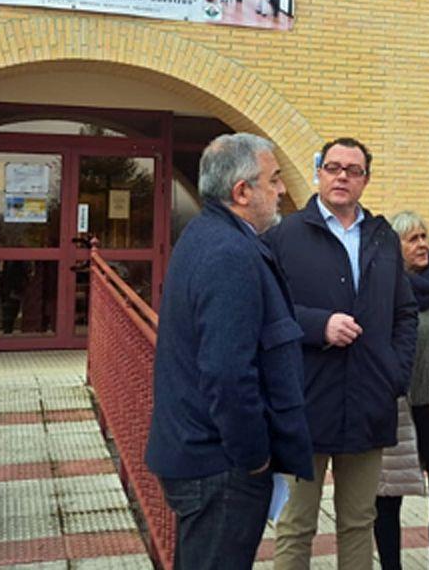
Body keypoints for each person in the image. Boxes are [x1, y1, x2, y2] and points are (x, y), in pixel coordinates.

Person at [145, 133, 313, 570]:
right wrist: (254, 456)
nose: (281, 191)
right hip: (219, 467)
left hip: (203, 458)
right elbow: (226, 372)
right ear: (242, 191)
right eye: (273, 180)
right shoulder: (229, 252)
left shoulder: (206, 234)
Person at [265, 137, 418, 570]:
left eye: (352, 170)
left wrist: (396, 374)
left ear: (365, 180)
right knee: (297, 524)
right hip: (305, 400)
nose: (342, 177)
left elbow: (405, 313)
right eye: (333, 167)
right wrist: (319, 326)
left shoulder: (382, 237)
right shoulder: (286, 236)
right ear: (319, 173)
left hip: (369, 398)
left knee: (358, 521)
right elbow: (267, 312)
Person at [373, 211, 429, 570]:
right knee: (389, 496)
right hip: (398, 406)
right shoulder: (385, 285)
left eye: (424, 236)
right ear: (395, 248)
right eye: (413, 239)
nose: (423, 244)